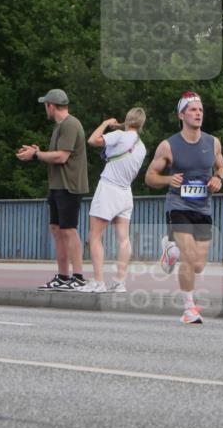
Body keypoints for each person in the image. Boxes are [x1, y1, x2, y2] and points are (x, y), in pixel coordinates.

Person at [145, 91, 223, 325]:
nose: (198, 113)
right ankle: (189, 308)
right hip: (177, 206)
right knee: (189, 259)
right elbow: (150, 177)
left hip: (203, 208)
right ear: (181, 115)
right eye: (192, 110)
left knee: (198, 265)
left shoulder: (213, 142)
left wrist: (218, 179)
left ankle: (171, 251)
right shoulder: (168, 146)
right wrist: (167, 180)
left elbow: (221, 167)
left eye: (200, 109)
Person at [16, 88, 89, 291]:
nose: (45, 110)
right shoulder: (59, 127)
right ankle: (63, 276)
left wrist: (37, 155)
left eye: (45, 106)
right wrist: (38, 152)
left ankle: (79, 276)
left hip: (69, 185)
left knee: (69, 230)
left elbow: (62, 156)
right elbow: (54, 154)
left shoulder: (71, 124)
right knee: (57, 230)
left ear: (51, 105)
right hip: (57, 185)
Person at [78, 108, 148, 293]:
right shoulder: (141, 147)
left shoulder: (118, 135)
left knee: (94, 236)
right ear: (142, 124)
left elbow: (93, 140)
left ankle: (99, 281)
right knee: (123, 239)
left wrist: (105, 124)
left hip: (109, 188)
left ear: (127, 120)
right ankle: (119, 281)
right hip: (126, 193)